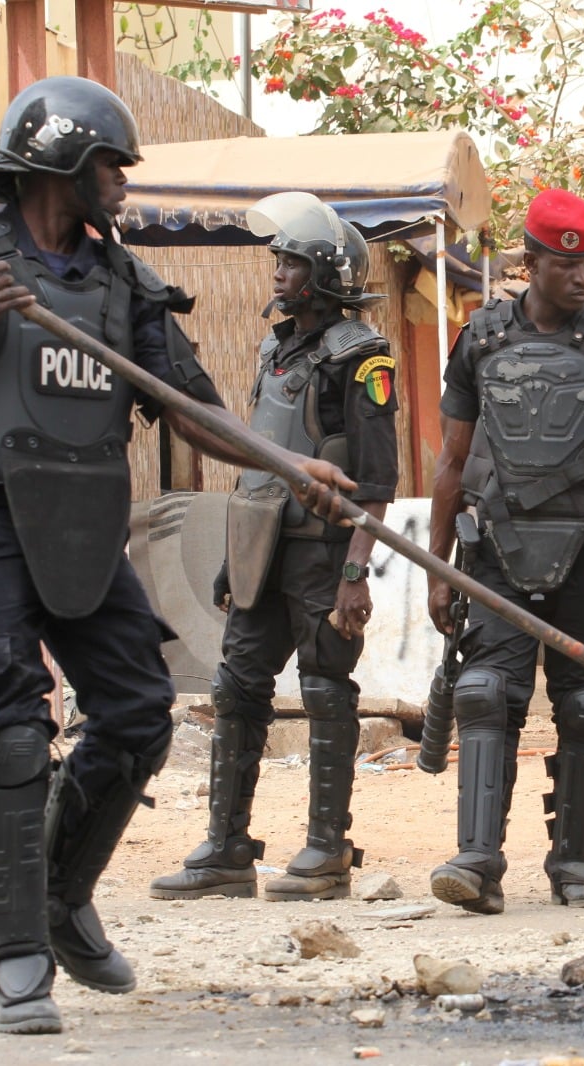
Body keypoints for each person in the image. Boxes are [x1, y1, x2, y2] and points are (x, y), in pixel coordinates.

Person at [0, 77, 354, 1035]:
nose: (124, 182)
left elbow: (188, 406)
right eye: (111, 165)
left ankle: (60, 897)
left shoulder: (122, 283)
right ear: (58, 163)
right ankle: (16, 958)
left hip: (89, 527)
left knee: (137, 715)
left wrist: (289, 462)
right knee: (12, 732)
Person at [425, 188, 584, 915]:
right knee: (485, 693)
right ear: (529, 263)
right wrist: (438, 567)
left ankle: (575, 862)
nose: (581, 276)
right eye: (565, 263)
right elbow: (451, 459)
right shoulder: (479, 340)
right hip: (494, 547)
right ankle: (478, 861)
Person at [149, 192, 399, 903]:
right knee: (236, 689)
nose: (278, 272)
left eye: (291, 261)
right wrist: (235, 558)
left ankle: (326, 851)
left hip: (324, 555)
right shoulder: (273, 349)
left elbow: (377, 483)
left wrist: (355, 572)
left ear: (324, 272)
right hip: (262, 553)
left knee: (324, 689)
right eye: (278, 260)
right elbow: (258, 464)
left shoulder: (362, 359)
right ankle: (226, 849)